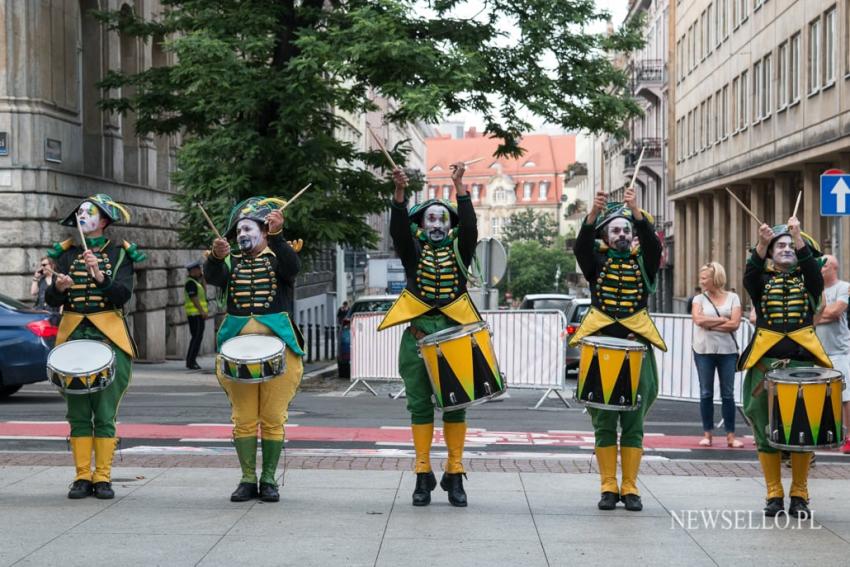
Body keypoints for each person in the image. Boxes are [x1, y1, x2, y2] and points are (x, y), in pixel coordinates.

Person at [377, 162, 479, 507]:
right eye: (430, 219)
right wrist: (400, 195)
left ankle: (455, 470)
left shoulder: (459, 251)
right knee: (419, 405)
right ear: (421, 224)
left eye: (442, 219)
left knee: (456, 404)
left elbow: (471, 229)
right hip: (418, 335)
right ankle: (423, 472)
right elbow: (398, 232)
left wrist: (459, 187)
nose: (436, 224)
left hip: (454, 334)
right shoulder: (413, 252)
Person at [569, 188, 666, 512]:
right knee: (604, 422)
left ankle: (631, 487)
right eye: (616, 230)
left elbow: (652, 245)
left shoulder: (645, 264)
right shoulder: (596, 264)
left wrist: (636, 212)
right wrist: (593, 215)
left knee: (634, 422)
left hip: (636, 352)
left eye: (626, 230)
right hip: (602, 354)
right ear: (606, 237)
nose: (623, 234)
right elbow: (581, 248)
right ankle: (608, 486)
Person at [44, 194, 145, 499]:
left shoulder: (120, 254)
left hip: (108, 338)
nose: (82, 217)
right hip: (73, 337)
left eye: (88, 213)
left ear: (103, 221)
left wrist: (100, 277)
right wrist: (58, 290)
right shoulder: (65, 254)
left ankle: (102, 477)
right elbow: (53, 301)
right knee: (76, 413)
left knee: (104, 413)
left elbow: (122, 296)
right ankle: (81, 477)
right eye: (79, 214)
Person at [205, 197, 305, 503]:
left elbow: (293, 268)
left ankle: (269, 478)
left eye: (249, 228)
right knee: (244, 417)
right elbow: (214, 277)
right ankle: (248, 478)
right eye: (239, 230)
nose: (242, 234)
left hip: (280, 351)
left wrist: (279, 236)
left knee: (273, 416)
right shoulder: (231, 262)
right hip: (237, 353)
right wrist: (215, 257)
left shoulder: (279, 257)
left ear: (264, 232)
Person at [739, 217, 829, 519]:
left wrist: (797, 236)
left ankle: (800, 493)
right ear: (770, 253)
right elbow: (749, 277)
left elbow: (815, 277)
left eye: (791, 245)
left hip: (804, 366)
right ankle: (774, 492)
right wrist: (762, 243)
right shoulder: (761, 280)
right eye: (781, 245)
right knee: (766, 431)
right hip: (766, 367)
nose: (787, 249)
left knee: (802, 432)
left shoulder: (810, 280)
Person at [690, 262, 743, 448]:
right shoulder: (698, 299)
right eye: (701, 277)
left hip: (727, 351)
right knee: (706, 392)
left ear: (716, 278)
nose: (701, 281)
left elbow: (735, 324)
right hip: (703, 350)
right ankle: (707, 434)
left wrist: (710, 322)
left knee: (728, 394)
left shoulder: (733, 298)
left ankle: (730, 435)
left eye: (705, 278)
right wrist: (722, 320)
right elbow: (697, 320)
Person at [813, 255, 850, 453]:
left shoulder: (844, 287)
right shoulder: (815, 289)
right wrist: (819, 316)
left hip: (839, 351)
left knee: (845, 395)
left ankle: (849, 437)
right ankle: (823, 434)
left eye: (824, 265)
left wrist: (819, 315)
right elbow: (808, 316)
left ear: (833, 267)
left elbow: (836, 311)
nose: (820, 268)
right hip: (818, 352)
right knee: (819, 394)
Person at [184, 260, 208, 370]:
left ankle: (191, 361)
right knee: (196, 338)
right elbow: (194, 298)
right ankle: (191, 361)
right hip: (195, 315)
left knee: (197, 338)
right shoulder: (191, 283)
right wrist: (202, 311)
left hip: (197, 315)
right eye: (199, 269)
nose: (201, 271)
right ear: (193, 270)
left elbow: (203, 294)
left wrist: (203, 281)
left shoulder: (196, 282)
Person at [31, 256, 60, 322]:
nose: (42, 267)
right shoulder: (41, 280)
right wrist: (35, 278)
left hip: (54, 315)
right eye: (41, 265)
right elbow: (33, 292)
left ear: (52, 266)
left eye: (44, 265)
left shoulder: (57, 279)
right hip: (40, 314)